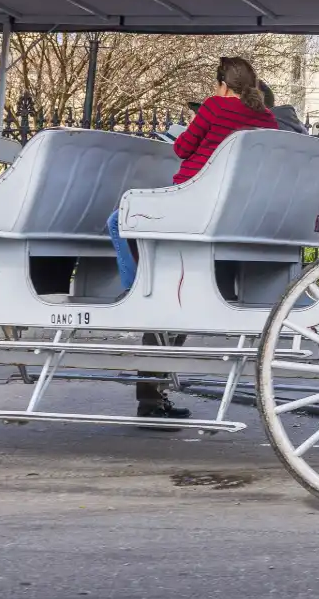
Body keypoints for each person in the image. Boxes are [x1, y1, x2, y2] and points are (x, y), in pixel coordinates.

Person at [106, 56, 277, 420]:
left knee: (118, 220)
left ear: (221, 85)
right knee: (177, 299)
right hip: (236, 215)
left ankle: (133, 287)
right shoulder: (266, 118)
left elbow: (182, 150)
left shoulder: (215, 107)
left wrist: (187, 133)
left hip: (192, 205)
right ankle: (152, 396)